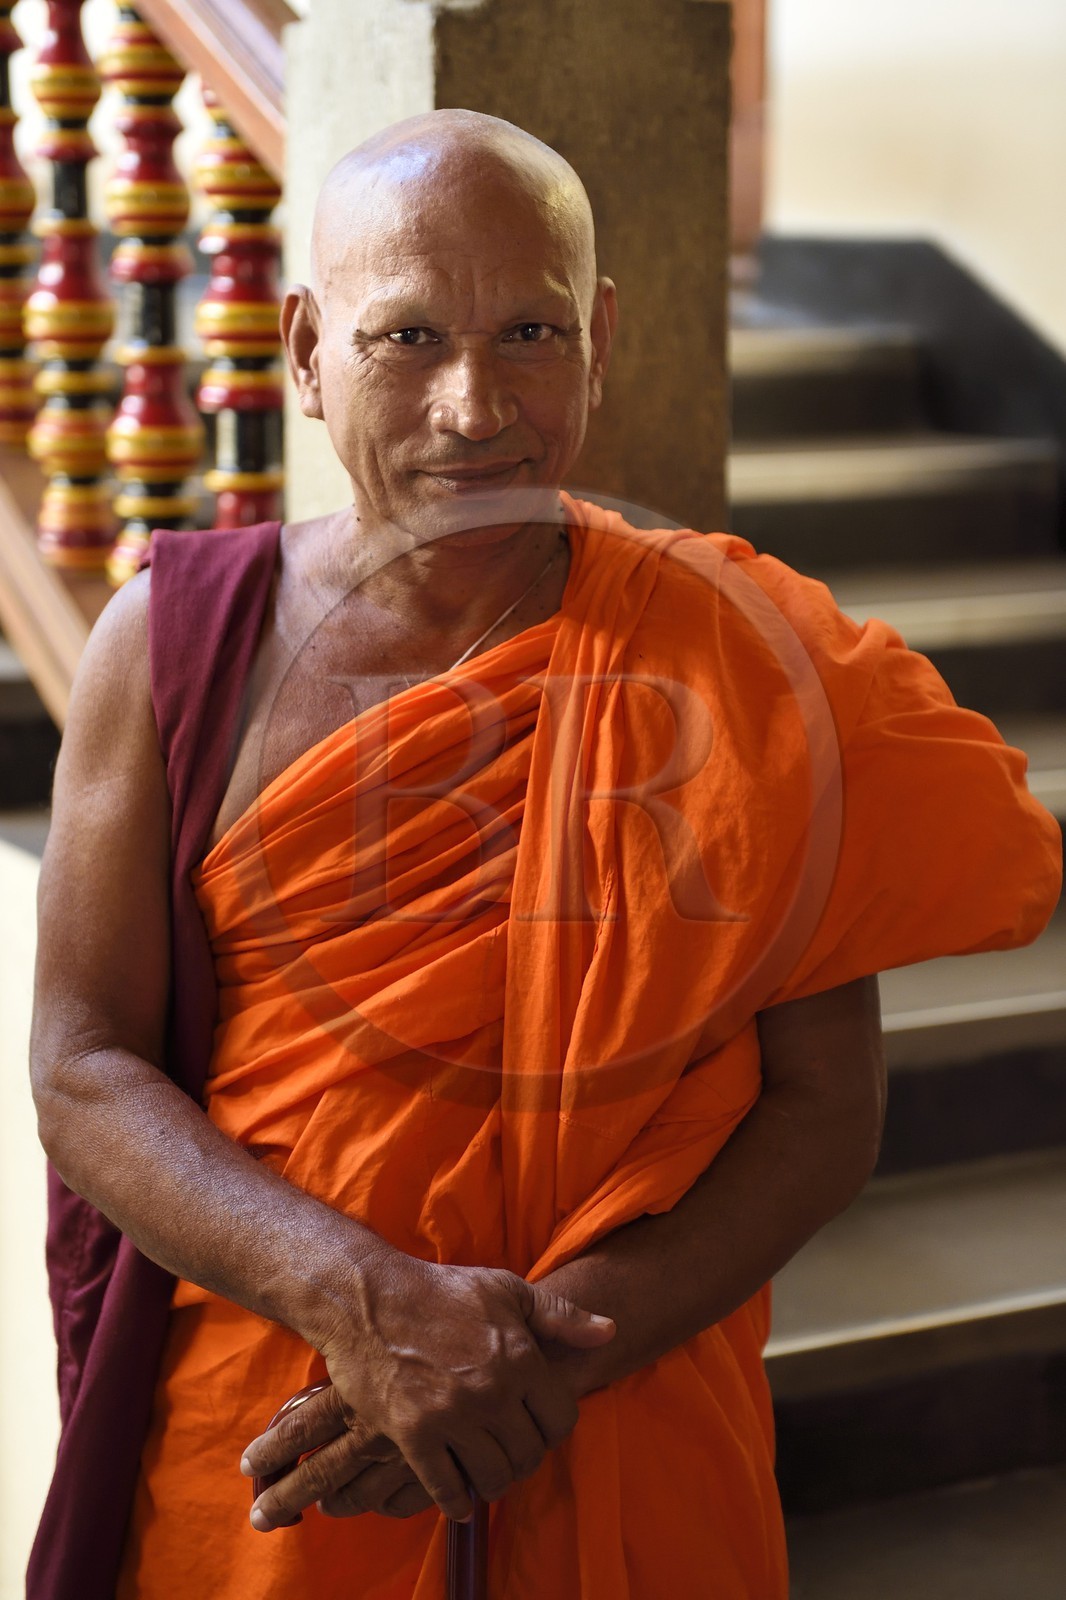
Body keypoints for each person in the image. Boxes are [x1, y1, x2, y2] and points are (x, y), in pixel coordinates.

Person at [29, 110, 1061, 1600]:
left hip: (620, 1399)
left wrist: (544, 1359)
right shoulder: (179, 643)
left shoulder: (735, 656)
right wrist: (368, 1307)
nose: (470, 405)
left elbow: (821, 1109)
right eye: (405, 339)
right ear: (308, 351)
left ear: (601, 345)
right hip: (282, 1408)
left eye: (528, 330)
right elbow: (81, 1063)